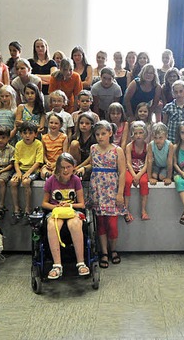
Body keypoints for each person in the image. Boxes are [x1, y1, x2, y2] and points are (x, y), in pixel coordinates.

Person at [42, 153, 89, 279]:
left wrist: (69, 206)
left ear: (73, 167)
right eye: (62, 167)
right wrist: (57, 207)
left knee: (74, 223)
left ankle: (81, 263)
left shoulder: (76, 180)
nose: (65, 170)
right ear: (57, 167)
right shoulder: (51, 181)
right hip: (55, 211)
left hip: (72, 210)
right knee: (52, 224)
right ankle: (57, 265)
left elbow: (81, 204)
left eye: (68, 167)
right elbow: (44, 203)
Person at [89, 120, 127, 269]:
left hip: (111, 189)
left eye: (103, 133)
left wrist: (120, 193)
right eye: (97, 134)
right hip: (96, 189)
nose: (100, 137)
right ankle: (104, 252)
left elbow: (122, 172)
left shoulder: (117, 150)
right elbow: (91, 164)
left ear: (110, 133)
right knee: (101, 223)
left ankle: (113, 249)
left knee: (112, 224)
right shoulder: (93, 148)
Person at [10, 121, 43, 225]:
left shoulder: (38, 144)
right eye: (25, 133)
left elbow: (38, 162)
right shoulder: (19, 144)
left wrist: (28, 173)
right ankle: (16, 210)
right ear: (21, 134)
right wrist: (19, 172)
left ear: (35, 134)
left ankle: (28, 210)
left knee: (26, 182)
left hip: (33, 170)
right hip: (21, 169)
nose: (27, 136)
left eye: (30, 133)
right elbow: (16, 161)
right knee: (13, 182)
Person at [124, 121, 150, 221]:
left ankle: (143, 210)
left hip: (142, 170)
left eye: (140, 133)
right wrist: (134, 175)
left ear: (145, 134)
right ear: (132, 134)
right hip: (131, 170)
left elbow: (147, 164)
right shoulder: (129, 146)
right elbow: (128, 163)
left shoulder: (148, 146)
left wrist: (138, 175)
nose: (138, 135)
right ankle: (126, 209)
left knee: (144, 182)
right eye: (136, 133)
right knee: (127, 182)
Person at [162, 79, 184, 144]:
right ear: (173, 93)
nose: (178, 94)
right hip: (171, 140)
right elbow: (164, 125)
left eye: (181, 91)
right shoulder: (168, 107)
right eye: (176, 92)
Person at [69, 111, 98, 180]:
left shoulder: (95, 139)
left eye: (87, 123)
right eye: (81, 123)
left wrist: (80, 167)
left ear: (92, 125)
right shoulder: (75, 137)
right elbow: (69, 153)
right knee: (74, 143)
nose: (84, 125)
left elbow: (91, 157)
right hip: (77, 162)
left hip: (91, 163)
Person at [40, 113, 69, 179]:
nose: (53, 125)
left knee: (55, 174)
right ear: (48, 124)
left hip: (59, 163)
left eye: (56, 123)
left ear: (60, 125)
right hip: (48, 164)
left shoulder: (64, 137)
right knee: (44, 174)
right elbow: (43, 154)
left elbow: (64, 155)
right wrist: (47, 162)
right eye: (51, 122)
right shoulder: (44, 137)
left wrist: (55, 164)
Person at [147, 123, 173, 187]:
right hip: (156, 165)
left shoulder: (169, 145)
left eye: (160, 138)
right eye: (155, 138)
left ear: (166, 137)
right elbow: (149, 161)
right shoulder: (151, 145)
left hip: (165, 166)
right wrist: (149, 178)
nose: (157, 140)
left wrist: (169, 177)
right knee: (154, 176)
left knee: (162, 177)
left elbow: (170, 161)